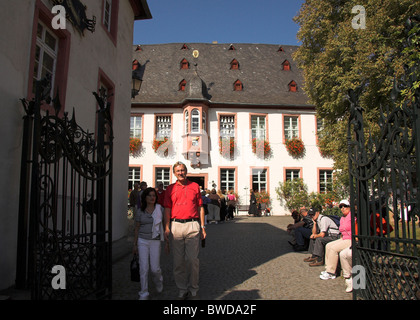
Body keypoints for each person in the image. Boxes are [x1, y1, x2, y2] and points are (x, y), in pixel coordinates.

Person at [163, 161, 206, 300]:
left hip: (192, 225)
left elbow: (200, 207)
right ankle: (182, 289)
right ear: (174, 173)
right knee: (178, 262)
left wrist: (203, 227)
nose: (180, 172)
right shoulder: (170, 189)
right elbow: (167, 209)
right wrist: (167, 227)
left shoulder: (194, 186)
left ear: (186, 171)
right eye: (178, 171)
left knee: (192, 260)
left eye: (182, 170)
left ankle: (194, 289)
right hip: (176, 226)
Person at [133, 187, 165, 300]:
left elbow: (165, 224)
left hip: (155, 240)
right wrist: (135, 244)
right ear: (145, 197)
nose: (152, 198)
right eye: (150, 195)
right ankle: (144, 292)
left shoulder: (159, 209)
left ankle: (159, 281)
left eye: (154, 196)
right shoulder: (140, 211)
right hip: (142, 240)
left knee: (155, 268)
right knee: (143, 267)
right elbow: (136, 228)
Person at [320, 199, 353, 280]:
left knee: (333, 249)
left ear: (349, 207)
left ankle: (331, 272)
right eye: (341, 207)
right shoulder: (342, 218)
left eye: (345, 206)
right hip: (344, 238)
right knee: (328, 245)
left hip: (350, 239)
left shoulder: (352, 216)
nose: (343, 208)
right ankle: (328, 268)